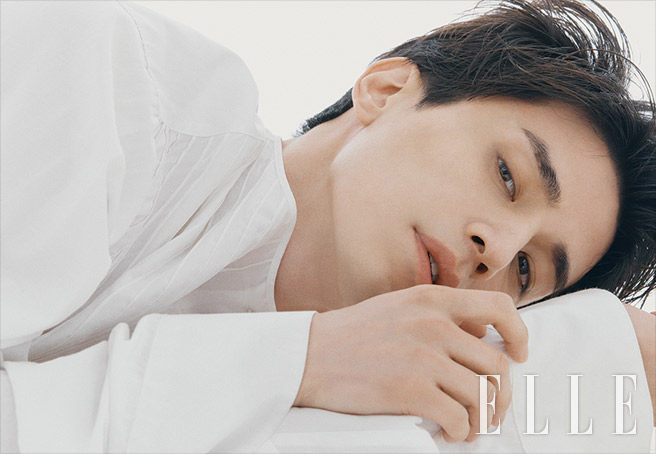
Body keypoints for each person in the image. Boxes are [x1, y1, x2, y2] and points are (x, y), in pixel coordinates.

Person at [0, 0, 654, 452]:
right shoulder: (110, 82)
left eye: (527, 270)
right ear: (386, 90)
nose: (498, 249)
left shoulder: (348, 410)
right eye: (508, 176)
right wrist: (295, 360)